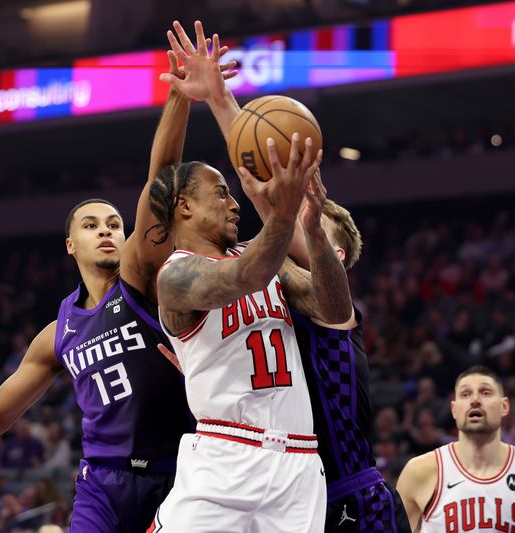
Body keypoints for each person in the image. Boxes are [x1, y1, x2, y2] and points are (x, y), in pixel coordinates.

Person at [0, 44, 237, 533]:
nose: (108, 229)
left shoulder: (142, 278)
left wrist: (178, 98)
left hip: (179, 473)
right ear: (71, 244)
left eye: (114, 222)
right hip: (103, 485)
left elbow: (159, 183)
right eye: (92, 225)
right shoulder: (57, 332)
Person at [160, 19, 411, 531]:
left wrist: (303, 223)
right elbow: (263, 187)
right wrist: (219, 97)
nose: (247, 203)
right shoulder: (216, 270)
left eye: (308, 226)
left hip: (334, 484)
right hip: (250, 459)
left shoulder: (320, 291)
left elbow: (273, 213)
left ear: (333, 250)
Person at [396, 365, 515, 533]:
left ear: (504, 406)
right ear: (454, 409)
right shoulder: (419, 471)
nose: (475, 400)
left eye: (486, 393)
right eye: (465, 394)